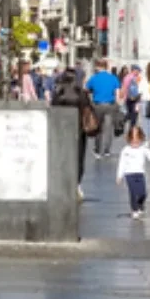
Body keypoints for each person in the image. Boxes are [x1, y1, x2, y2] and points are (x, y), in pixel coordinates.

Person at [52, 68, 95, 200]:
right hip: (79, 130)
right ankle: (76, 184)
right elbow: (88, 109)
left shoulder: (58, 93)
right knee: (79, 158)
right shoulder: (81, 93)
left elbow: (53, 109)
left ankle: (63, 183)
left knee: (62, 157)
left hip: (61, 131)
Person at [116, 127, 150, 219]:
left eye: (137, 140)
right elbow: (122, 163)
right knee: (133, 192)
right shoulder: (126, 150)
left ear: (141, 139)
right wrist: (119, 176)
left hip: (140, 174)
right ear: (129, 139)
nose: (135, 143)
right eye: (133, 141)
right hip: (129, 174)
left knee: (143, 193)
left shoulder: (143, 149)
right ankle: (134, 210)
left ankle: (140, 204)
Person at [86, 59, 122, 159]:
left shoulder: (94, 78)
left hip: (97, 105)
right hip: (110, 105)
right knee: (108, 128)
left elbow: (86, 89)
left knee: (98, 128)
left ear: (98, 67)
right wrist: (118, 103)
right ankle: (107, 150)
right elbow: (118, 92)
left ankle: (97, 150)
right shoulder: (113, 78)